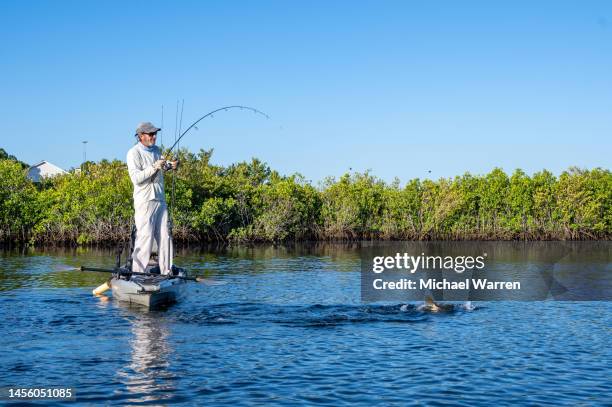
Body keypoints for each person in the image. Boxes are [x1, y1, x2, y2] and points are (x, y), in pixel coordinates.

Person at [126, 122, 178, 275]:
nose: (154, 136)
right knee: (145, 237)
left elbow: (163, 165)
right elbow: (136, 178)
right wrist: (154, 167)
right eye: (150, 134)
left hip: (160, 199)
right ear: (141, 136)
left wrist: (171, 165)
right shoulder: (133, 153)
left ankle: (166, 271)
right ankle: (137, 273)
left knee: (165, 237)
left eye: (155, 134)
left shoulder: (157, 150)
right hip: (145, 200)